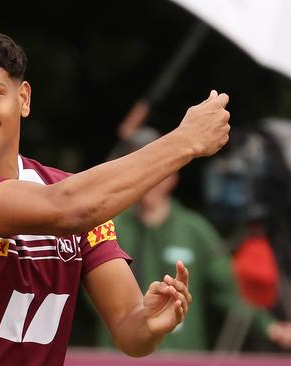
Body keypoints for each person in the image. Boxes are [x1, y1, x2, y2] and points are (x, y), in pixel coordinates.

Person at [0, 24, 230, 365]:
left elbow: (129, 328)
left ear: (24, 99)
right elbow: (68, 209)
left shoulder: (72, 193)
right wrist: (185, 142)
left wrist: (150, 323)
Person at [92, 127, 291, 351]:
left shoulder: (195, 229)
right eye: (137, 170)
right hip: (117, 356)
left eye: (154, 169)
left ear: (172, 175)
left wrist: (270, 327)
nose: (146, 179)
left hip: (181, 356)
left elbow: (230, 288)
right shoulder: (107, 226)